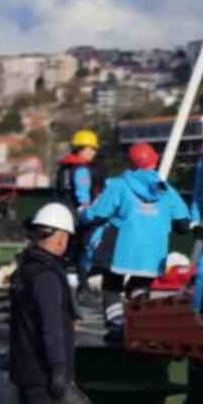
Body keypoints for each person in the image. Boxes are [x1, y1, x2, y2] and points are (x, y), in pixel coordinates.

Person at [8, 203, 80, 404]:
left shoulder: (25, 268)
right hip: (43, 368)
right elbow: (51, 327)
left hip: (24, 364)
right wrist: (59, 369)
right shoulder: (48, 276)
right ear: (60, 237)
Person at [82, 141, 193, 335]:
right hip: (153, 254)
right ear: (154, 162)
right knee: (140, 285)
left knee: (111, 285)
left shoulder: (118, 184)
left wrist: (83, 216)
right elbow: (183, 224)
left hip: (121, 250)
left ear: (130, 163)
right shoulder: (166, 190)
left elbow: (97, 215)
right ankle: (139, 325)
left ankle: (116, 324)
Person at [53, 129, 102, 276]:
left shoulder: (63, 168)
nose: (94, 152)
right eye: (91, 148)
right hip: (76, 216)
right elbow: (83, 197)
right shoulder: (81, 170)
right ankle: (82, 282)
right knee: (81, 247)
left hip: (60, 213)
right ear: (81, 149)